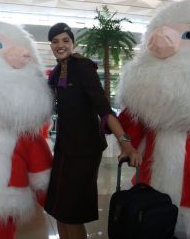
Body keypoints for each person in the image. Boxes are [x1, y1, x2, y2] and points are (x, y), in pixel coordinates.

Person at [45, 22, 142, 239]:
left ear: (73, 43)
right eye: (55, 41)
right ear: (50, 45)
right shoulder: (55, 73)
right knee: (58, 208)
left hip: (84, 151)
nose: (60, 45)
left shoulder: (83, 68)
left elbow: (105, 110)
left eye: (65, 40)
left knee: (72, 212)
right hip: (64, 148)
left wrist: (126, 143)